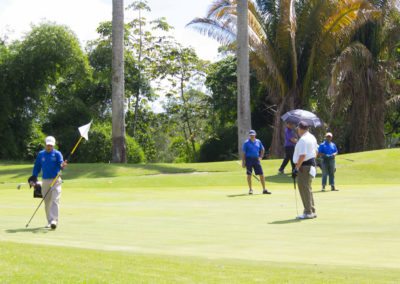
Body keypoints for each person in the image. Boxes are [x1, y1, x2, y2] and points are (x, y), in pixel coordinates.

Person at [28, 136, 67, 229]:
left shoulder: (57, 154)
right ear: (45, 144)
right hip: (45, 180)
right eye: (48, 145)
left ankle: (54, 220)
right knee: (47, 202)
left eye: (51, 145)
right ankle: (49, 221)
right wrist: (34, 177)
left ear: (53, 145)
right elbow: (37, 166)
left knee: (55, 200)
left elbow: (61, 164)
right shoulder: (41, 154)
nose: (49, 147)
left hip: (56, 180)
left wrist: (63, 165)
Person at [292, 121, 318, 219]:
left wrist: (296, 168)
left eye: (298, 128)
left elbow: (302, 155)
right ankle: (312, 210)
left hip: (304, 167)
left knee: (304, 189)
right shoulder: (312, 137)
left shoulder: (303, 140)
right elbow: (316, 151)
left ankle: (308, 212)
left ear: (300, 128)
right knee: (308, 188)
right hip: (311, 165)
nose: (297, 131)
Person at [242, 130, 271, 195]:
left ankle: (264, 189)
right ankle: (250, 189)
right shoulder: (246, 143)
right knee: (249, 175)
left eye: (253, 135)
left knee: (261, 174)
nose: (252, 136)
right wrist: (243, 162)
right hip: (248, 160)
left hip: (256, 159)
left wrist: (261, 156)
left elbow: (262, 149)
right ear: (249, 135)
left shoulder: (258, 141)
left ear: (255, 134)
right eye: (251, 135)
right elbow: (244, 153)